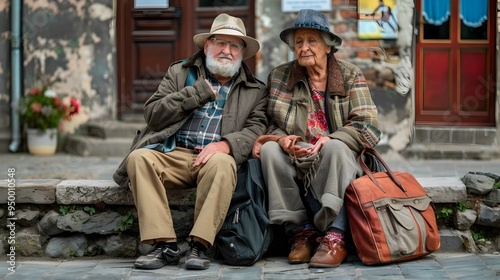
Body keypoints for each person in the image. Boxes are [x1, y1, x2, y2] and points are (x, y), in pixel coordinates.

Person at [113, 13, 267, 270]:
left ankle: (199, 245)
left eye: (234, 45)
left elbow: (257, 129)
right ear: (207, 46)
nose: (226, 51)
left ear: (242, 53)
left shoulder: (255, 89)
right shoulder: (180, 72)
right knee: (139, 158)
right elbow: (153, 114)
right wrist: (196, 93)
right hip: (172, 152)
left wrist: (227, 145)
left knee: (223, 163)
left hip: (213, 157)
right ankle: (165, 245)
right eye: (220, 43)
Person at [253, 9, 381, 268]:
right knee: (269, 151)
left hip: (342, 158)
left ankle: (336, 235)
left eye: (312, 40)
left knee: (334, 146)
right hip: (299, 157)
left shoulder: (349, 75)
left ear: (328, 45)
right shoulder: (280, 76)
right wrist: (281, 139)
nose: (304, 47)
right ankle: (301, 232)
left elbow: (369, 127)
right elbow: (272, 124)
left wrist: (332, 138)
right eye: (298, 42)